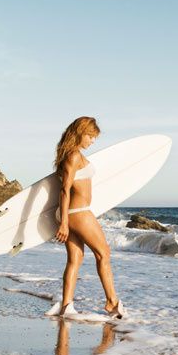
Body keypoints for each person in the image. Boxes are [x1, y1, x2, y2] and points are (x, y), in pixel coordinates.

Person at [48, 116, 124, 319]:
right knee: (104, 254)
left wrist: (64, 220)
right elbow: (64, 190)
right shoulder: (73, 156)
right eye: (90, 136)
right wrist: (63, 223)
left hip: (72, 213)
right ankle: (111, 303)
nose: (92, 141)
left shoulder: (71, 155)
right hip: (78, 213)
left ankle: (66, 305)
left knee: (75, 259)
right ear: (80, 132)